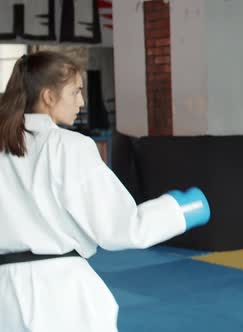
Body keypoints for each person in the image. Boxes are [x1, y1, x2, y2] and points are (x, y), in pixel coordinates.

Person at [0, 51, 211, 332]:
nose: (82, 101)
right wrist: (182, 210)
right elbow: (120, 227)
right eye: (75, 92)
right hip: (59, 295)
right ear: (49, 97)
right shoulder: (68, 147)